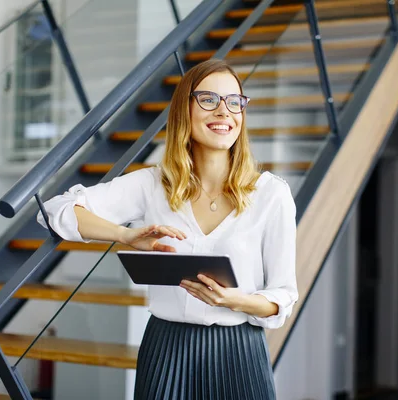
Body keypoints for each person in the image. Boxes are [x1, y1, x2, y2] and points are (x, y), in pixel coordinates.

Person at [37, 58, 298, 399]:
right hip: (166, 349)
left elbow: (283, 297)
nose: (224, 112)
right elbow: (53, 211)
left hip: (239, 352)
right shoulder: (153, 183)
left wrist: (239, 301)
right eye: (209, 99)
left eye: (234, 102)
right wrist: (124, 234)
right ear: (183, 111)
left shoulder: (271, 194)